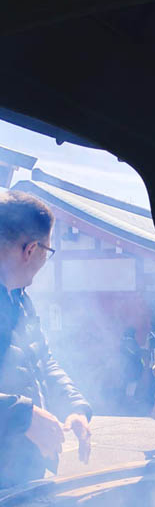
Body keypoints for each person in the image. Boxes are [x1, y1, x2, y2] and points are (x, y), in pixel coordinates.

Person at [0, 191, 91, 488]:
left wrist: (74, 407)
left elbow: (43, 361)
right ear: (31, 249)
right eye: (48, 252)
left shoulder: (20, 301)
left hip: (22, 469)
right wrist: (22, 416)